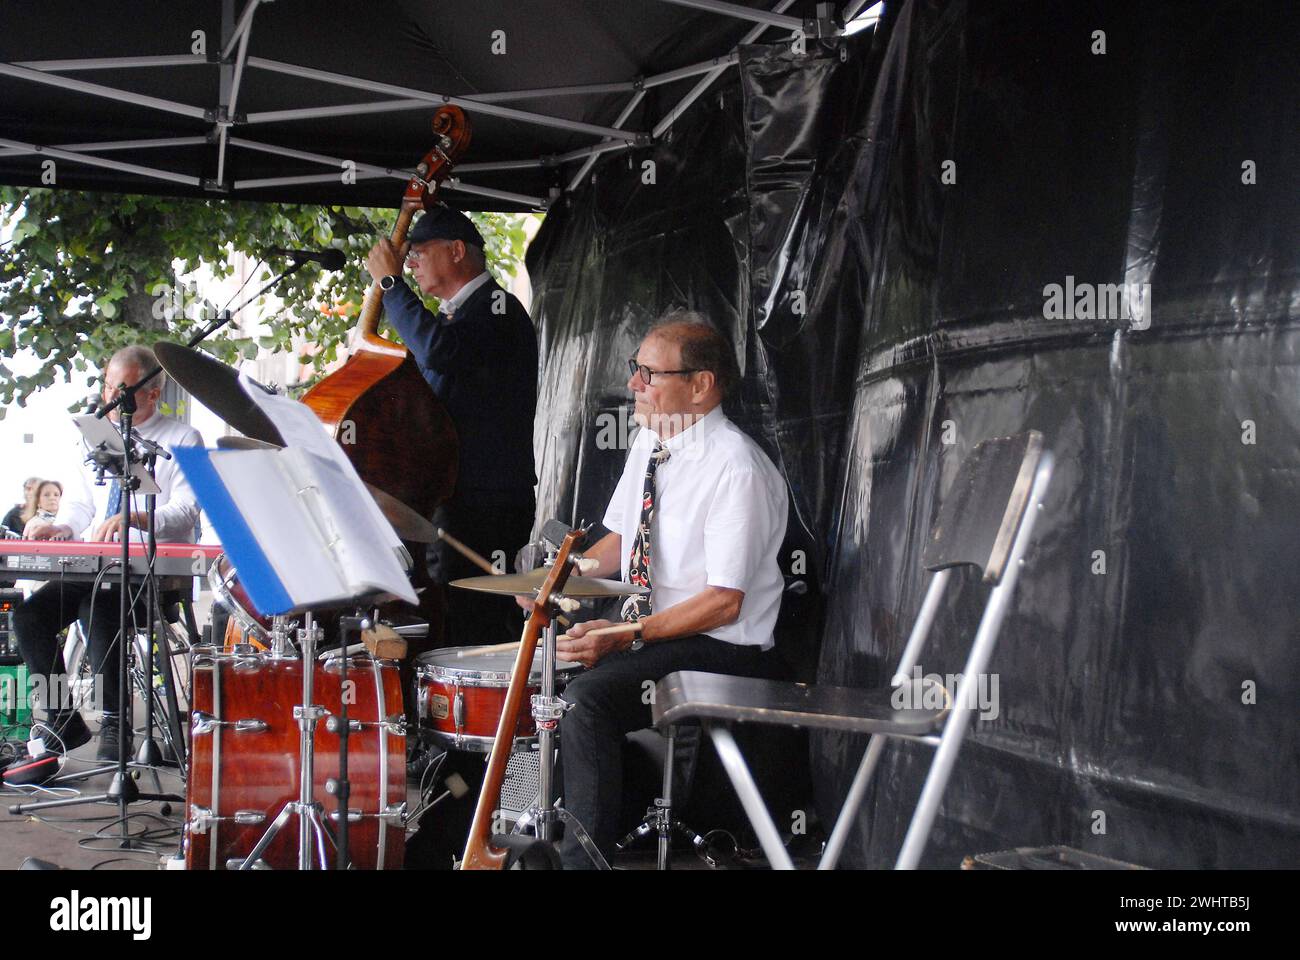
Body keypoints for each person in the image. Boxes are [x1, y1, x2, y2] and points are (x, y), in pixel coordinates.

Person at [553, 313, 789, 869]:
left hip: (724, 648)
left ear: (701, 385)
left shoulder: (736, 467)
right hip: (659, 632)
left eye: (649, 373)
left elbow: (724, 602)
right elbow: (620, 540)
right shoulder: (650, 442)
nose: (633, 383)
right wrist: (556, 582)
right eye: (635, 369)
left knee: (588, 699)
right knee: (548, 668)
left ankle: (584, 862)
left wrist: (626, 633)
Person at [367, 205, 540, 867]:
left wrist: (390, 288)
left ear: (459, 251)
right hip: (454, 505)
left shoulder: (496, 311)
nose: (410, 261)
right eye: (406, 256)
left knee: (473, 656)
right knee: (448, 651)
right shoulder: (460, 319)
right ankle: (456, 805)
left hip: (484, 510)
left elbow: (439, 353)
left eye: (420, 250)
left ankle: (475, 813)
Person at [14, 345, 202, 761]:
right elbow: (80, 506)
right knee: (29, 617)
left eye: (122, 389)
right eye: (107, 386)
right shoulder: (94, 434)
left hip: (150, 572)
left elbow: (187, 509)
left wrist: (136, 517)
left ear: (152, 394)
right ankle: (63, 719)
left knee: (97, 608)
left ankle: (116, 721)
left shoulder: (183, 439)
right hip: (94, 564)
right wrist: (61, 526)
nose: (111, 398)